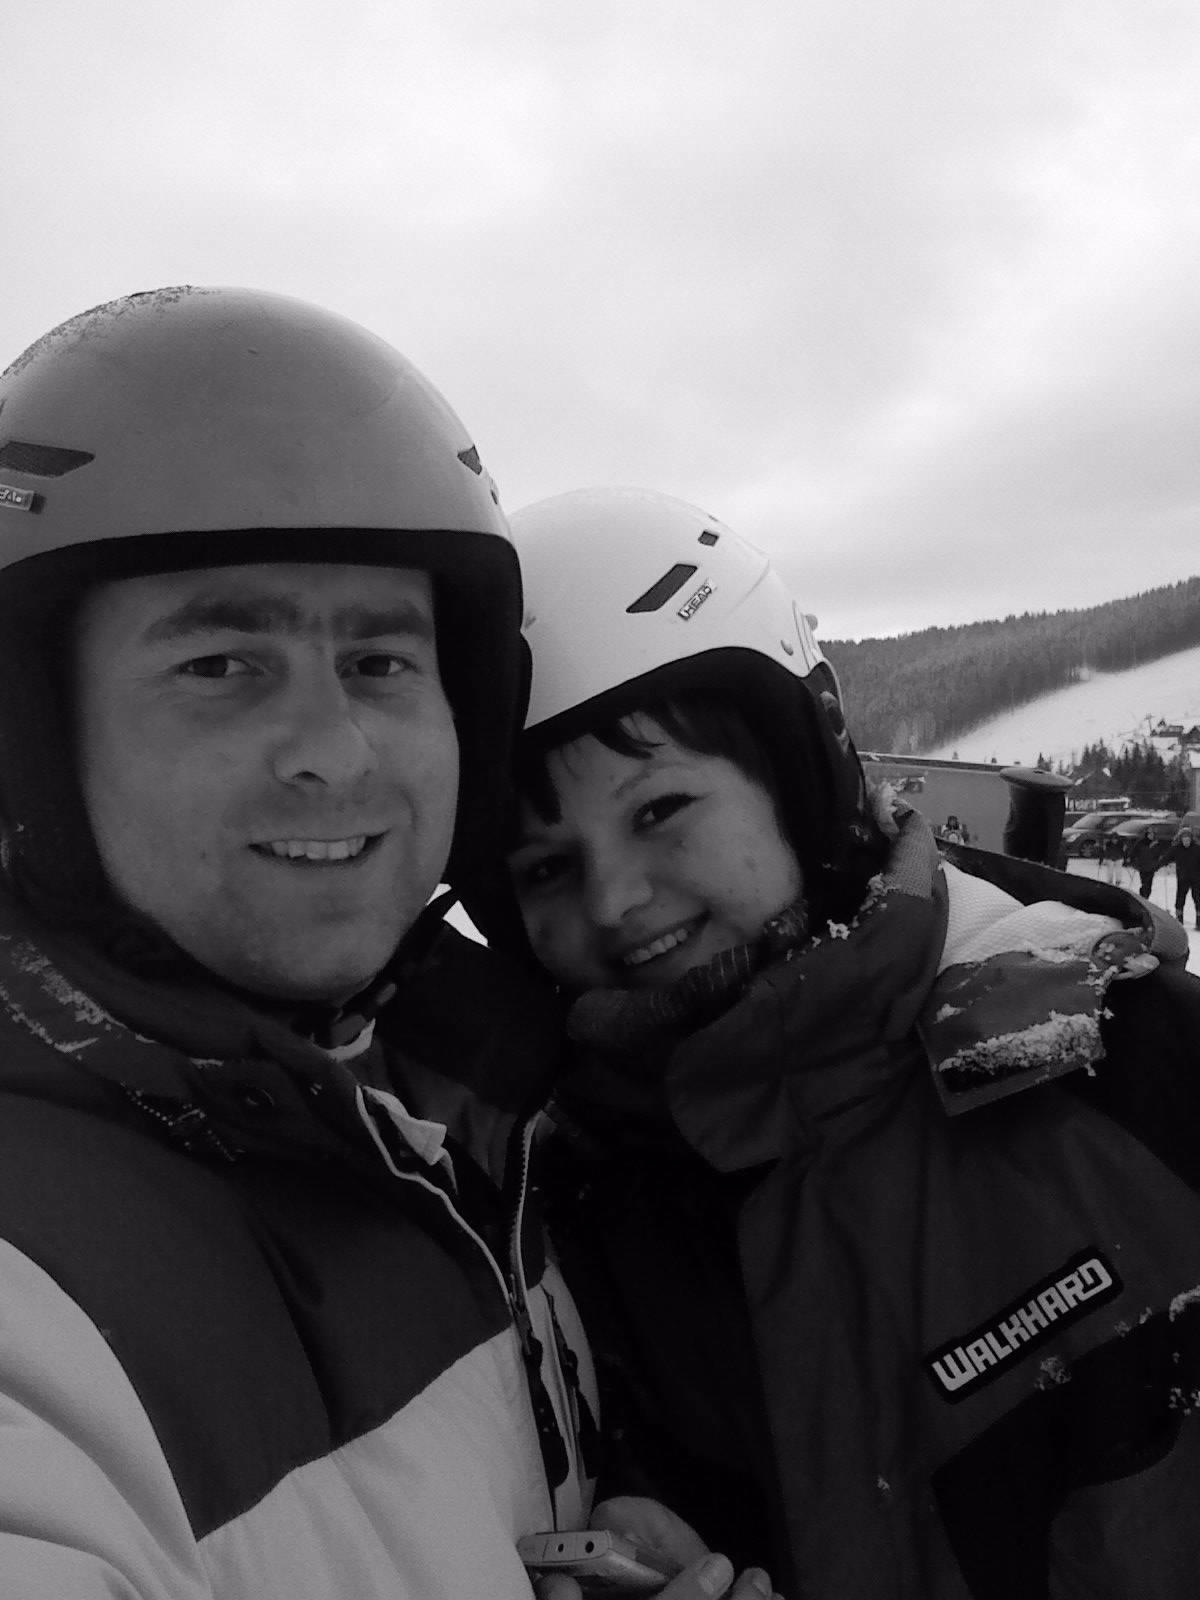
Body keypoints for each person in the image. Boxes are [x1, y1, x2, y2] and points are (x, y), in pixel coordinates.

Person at [0, 297, 771, 1600]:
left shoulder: (472, 1118)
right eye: (222, 664)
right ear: (38, 739)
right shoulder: (35, 1292)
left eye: (378, 662)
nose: (335, 751)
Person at [475, 486, 1200, 1600]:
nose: (613, 901)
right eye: (544, 868)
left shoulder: (1130, 1073)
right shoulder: (568, 1212)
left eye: (660, 810)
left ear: (801, 774)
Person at [1165, 825, 1200, 927]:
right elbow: (1166, 858)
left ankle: (1199, 922)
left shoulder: (1197, 849)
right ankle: (1179, 921)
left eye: (1188, 840)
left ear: (1191, 839)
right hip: (1182, 878)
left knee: (1198, 899)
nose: (1186, 842)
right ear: (1181, 840)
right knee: (1180, 899)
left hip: (1196, 878)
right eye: (1184, 840)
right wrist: (1155, 866)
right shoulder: (1176, 849)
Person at [1127, 827, 1166, 899]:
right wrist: (1130, 858)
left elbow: (1160, 854)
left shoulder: (1156, 844)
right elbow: (1134, 851)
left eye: (1152, 834)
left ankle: (1145, 898)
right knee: (1144, 883)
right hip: (1142, 866)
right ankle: (1143, 897)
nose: (1151, 836)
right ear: (1146, 834)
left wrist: (1162, 861)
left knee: (1149, 884)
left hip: (1152, 867)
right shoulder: (1141, 843)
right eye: (1150, 834)